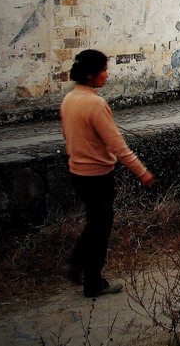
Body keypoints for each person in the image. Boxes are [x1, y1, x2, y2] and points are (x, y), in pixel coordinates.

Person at [60, 49, 155, 298]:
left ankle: (77, 264)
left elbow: (67, 136)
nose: (107, 75)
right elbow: (117, 145)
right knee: (100, 229)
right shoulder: (96, 104)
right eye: (103, 70)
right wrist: (141, 171)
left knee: (95, 224)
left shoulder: (69, 99)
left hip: (77, 172)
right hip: (98, 175)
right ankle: (92, 281)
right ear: (90, 74)